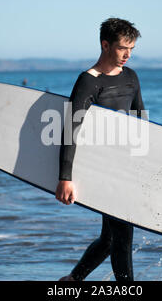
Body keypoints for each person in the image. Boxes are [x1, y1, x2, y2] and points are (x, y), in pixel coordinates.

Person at [55, 18, 145, 281]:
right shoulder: (88, 81)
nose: (127, 54)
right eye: (121, 48)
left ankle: (72, 281)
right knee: (123, 233)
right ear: (105, 45)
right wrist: (65, 178)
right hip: (100, 167)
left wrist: (144, 165)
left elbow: (140, 121)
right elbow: (70, 130)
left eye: (131, 49)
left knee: (109, 238)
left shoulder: (131, 77)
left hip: (125, 166)